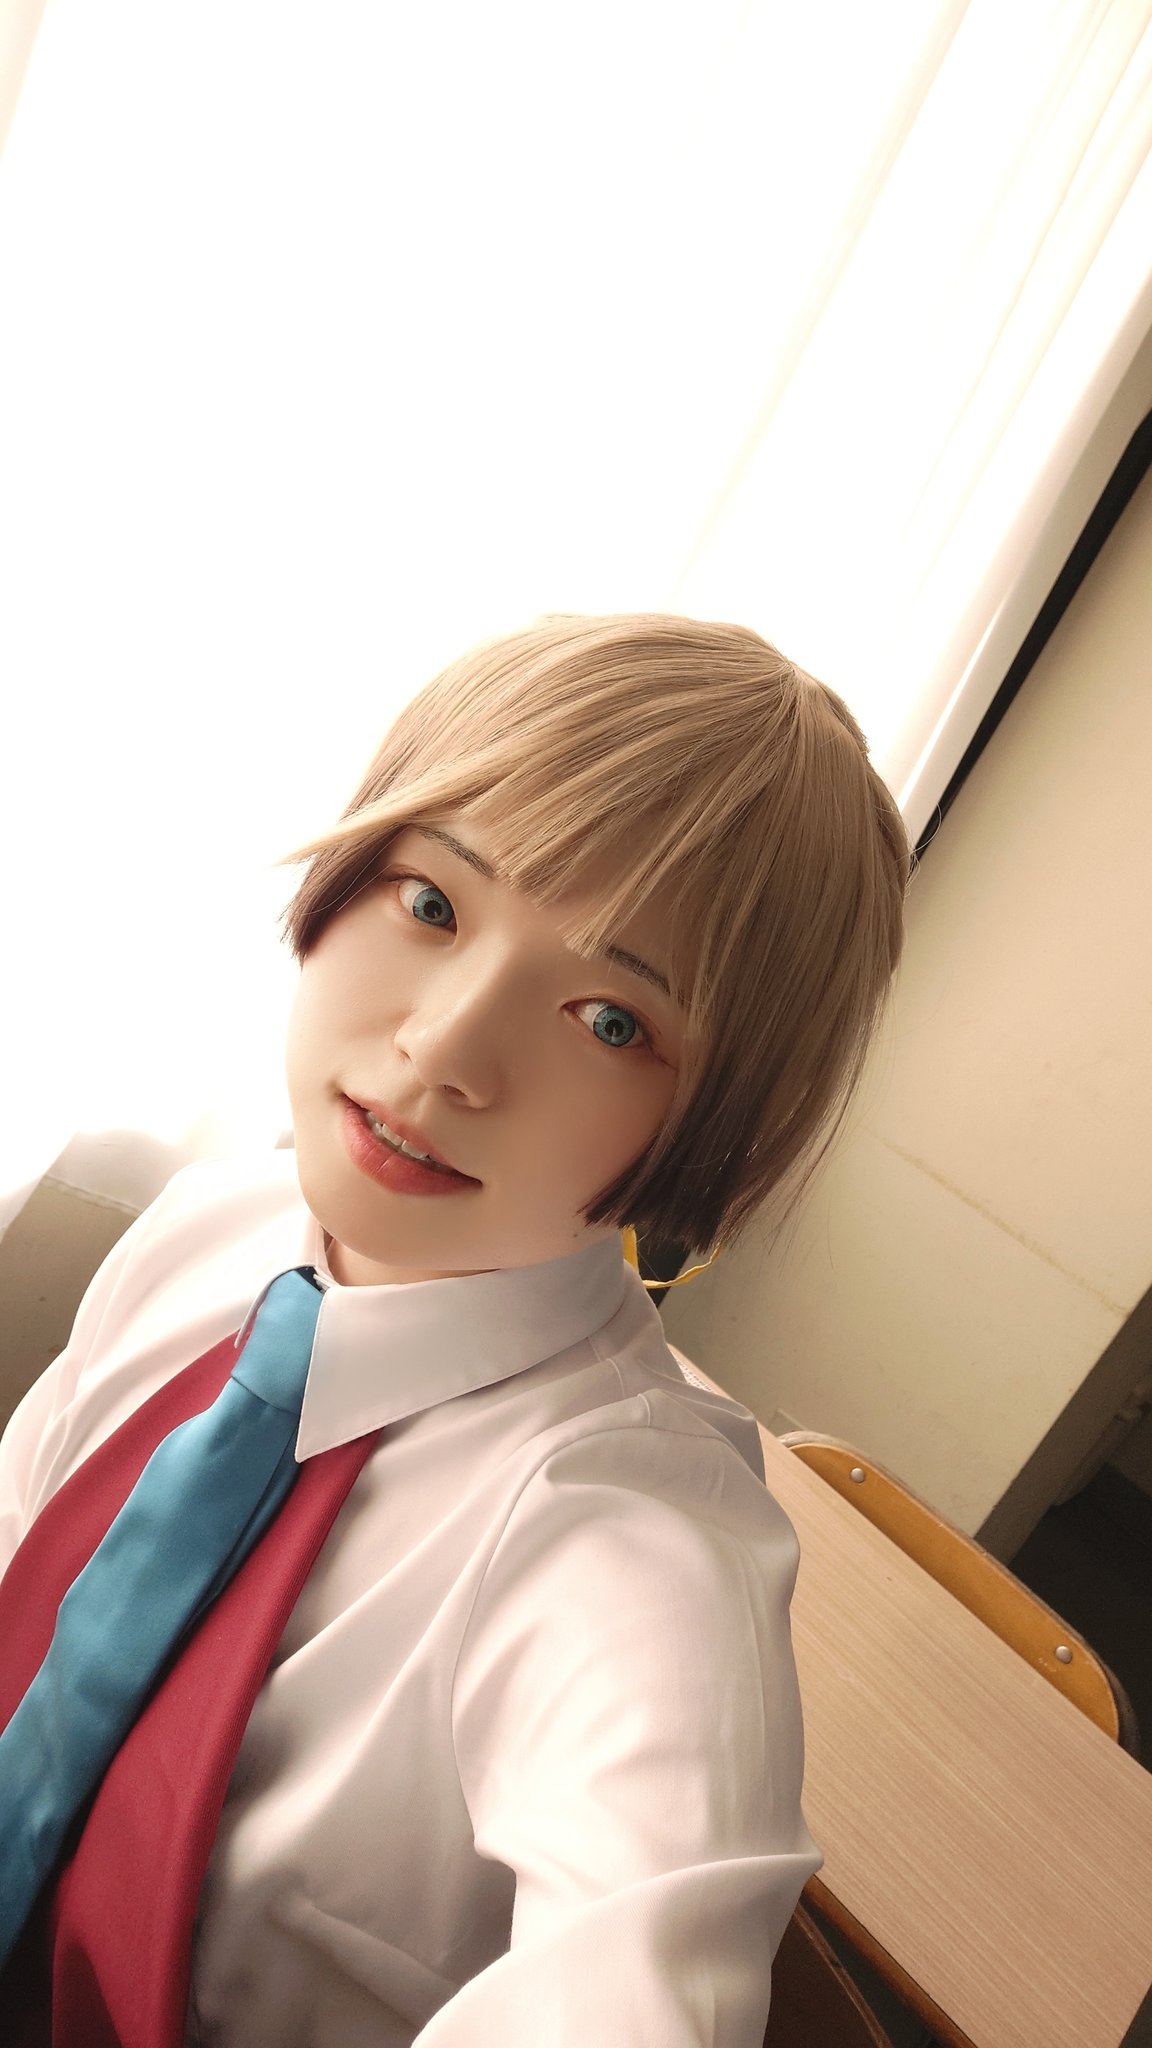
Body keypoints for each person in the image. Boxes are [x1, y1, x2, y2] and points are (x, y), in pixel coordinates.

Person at [0, 610, 912, 2044]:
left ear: (722, 1123)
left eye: (611, 1020)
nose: (445, 1048)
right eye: (431, 901)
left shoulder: (630, 1543)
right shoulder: (212, 1230)